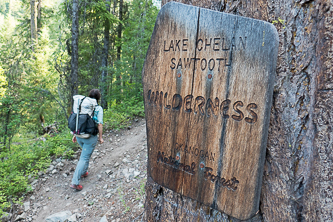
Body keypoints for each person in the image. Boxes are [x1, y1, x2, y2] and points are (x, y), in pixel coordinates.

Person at [70, 89, 104, 191]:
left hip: (79, 135)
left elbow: (78, 121)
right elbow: (100, 124)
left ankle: (84, 172)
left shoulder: (82, 106)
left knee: (85, 155)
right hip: (89, 137)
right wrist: (100, 137)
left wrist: (75, 134)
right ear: (98, 98)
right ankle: (75, 182)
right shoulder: (98, 108)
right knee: (84, 158)